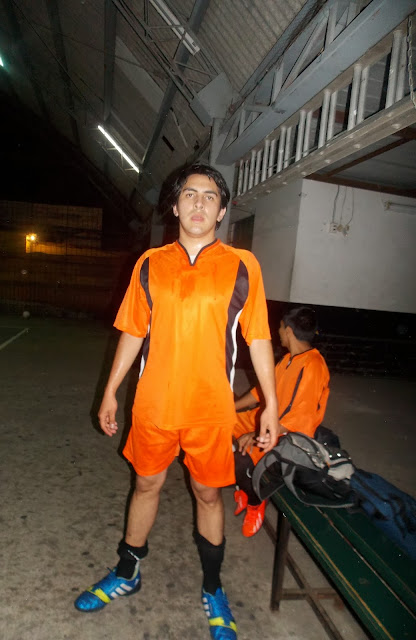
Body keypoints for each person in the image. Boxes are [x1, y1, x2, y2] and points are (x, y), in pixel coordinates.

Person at [74, 164, 279, 640]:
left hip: (210, 409)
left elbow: (260, 338)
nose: (199, 203)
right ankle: (127, 571)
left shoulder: (242, 265)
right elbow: (133, 331)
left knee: (208, 494)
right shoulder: (150, 263)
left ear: (222, 211)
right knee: (145, 485)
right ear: (174, 205)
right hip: (154, 406)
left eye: (210, 196)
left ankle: (213, 587)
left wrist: (269, 403)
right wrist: (110, 391)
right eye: (190, 194)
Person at [233, 306, 330, 537]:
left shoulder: (313, 366)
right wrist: (231, 408)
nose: (277, 332)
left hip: (287, 436)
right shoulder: (287, 360)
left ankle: (255, 501)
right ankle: (243, 487)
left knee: (240, 457)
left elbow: (301, 420)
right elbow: (260, 392)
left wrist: (258, 435)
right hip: (267, 423)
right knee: (217, 423)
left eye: (279, 328)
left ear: (288, 331)